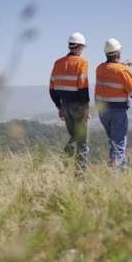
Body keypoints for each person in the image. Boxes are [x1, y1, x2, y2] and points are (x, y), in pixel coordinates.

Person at [94, 38, 132, 170]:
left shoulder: (100, 69)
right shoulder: (123, 71)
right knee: (118, 145)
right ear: (118, 53)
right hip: (117, 112)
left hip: (103, 112)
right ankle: (116, 178)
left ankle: (116, 171)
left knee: (113, 143)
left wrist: (124, 66)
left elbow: (112, 70)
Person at [49, 32, 90, 172]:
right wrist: (86, 108)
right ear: (79, 47)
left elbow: (52, 89)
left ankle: (62, 164)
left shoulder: (58, 63)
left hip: (64, 106)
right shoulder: (82, 62)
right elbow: (83, 87)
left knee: (75, 136)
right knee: (82, 143)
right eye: (83, 47)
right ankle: (80, 175)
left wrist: (59, 106)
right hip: (78, 106)